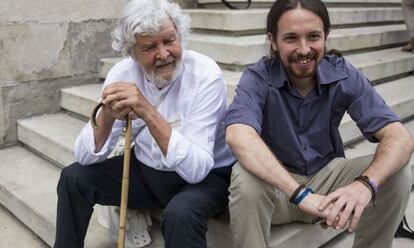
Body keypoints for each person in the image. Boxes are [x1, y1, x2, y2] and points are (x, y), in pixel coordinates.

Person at [224, 0, 414, 247]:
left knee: (397, 175)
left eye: (313, 36)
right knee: (244, 178)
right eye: (291, 38)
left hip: (327, 184)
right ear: (272, 40)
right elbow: (238, 135)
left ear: (326, 36)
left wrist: (364, 185)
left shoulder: (344, 74)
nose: (304, 49)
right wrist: (300, 194)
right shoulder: (258, 77)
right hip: (277, 190)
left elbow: (399, 137)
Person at [53, 0, 235, 247]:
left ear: (180, 36)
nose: (163, 54)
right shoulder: (122, 73)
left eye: (170, 40)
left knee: (180, 214)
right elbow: (85, 156)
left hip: (206, 178)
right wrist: (106, 115)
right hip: (146, 172)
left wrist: (148, 113)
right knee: (73, 178)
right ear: (132, 53)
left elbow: (197, 169)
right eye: (149, 47)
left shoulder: (205, 75)